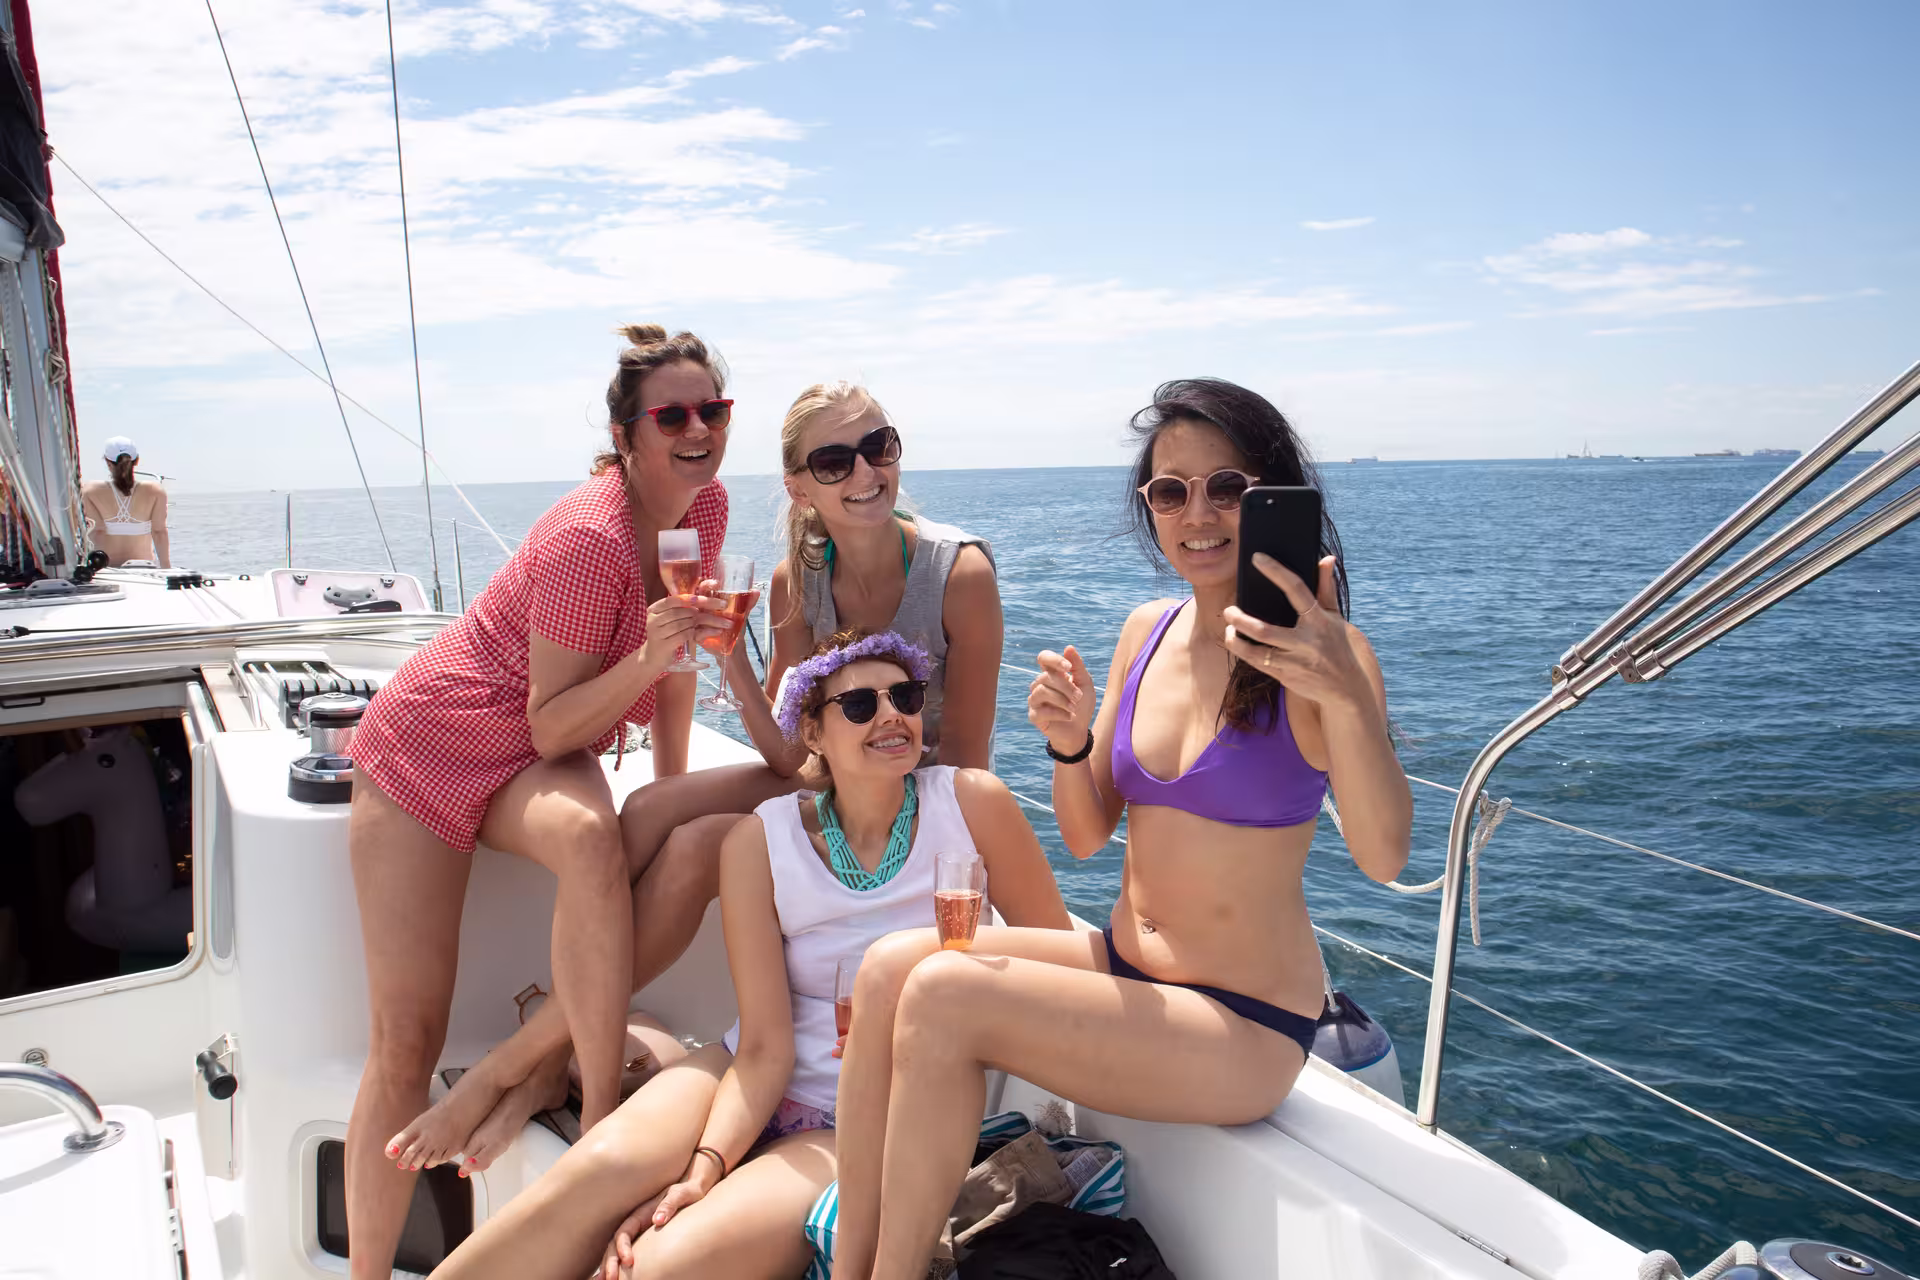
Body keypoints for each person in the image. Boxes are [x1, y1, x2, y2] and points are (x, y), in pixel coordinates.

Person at [826, 378, 1414, 1280]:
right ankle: (859, 1255)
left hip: (1242, 1024)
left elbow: (1383, 854)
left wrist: (1340, 685)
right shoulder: (1148, 629)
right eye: (1171, 491)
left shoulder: (1323, 656)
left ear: (1272, 498)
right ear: (1151, 508)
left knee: (946, 995)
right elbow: (1092, 832)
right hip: (1128, 965)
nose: (1200, 513)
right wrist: (1071, 746)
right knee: (891, 966)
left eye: (1228, 488)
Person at [391, 381, 1004, 1173]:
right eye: (834, 458)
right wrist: (736, 660)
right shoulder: (795, 582)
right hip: (833, 778)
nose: (865, 472)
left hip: (916, 802)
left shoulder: (959, 576)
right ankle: (562, 1046)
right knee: (648, 808)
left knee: (696, 851)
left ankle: (514, 1065)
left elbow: (968, 770)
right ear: (799, 484)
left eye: (878, 447)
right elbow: (792, 755)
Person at [427, 628, 1070, 1280]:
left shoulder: (970, 803)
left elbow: (1063, 962)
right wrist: (705, 1168)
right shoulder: (762, 843)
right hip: (745, 1071)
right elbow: (764, 1046)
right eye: (858, 705)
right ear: (813, 735)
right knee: (585, 1178)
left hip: (868, 1119)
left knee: (656, 1267)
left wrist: (934, 954)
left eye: (904, 695)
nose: (890, 715)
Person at [343, 324, 733, 1280]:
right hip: (436, 742)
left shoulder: (705, 511)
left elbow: (677, 663)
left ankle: (598, 1118)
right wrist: (647, 654)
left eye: (711, 410)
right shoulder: (589, 541)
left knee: (598, 844)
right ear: (626, 433)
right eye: (671, 414)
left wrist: (670, 791)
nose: (697, 429)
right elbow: (558, 723)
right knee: (405, 1040)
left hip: (525, 751)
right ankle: (363, 1273)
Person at [81, 436, 169, 567]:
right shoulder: (155, 490)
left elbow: (97, 532)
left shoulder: (90, 490)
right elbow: (159, 531)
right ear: (136, 461)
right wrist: (166, 568)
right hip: (144, 567)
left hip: (105, 568)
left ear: (107, 462)